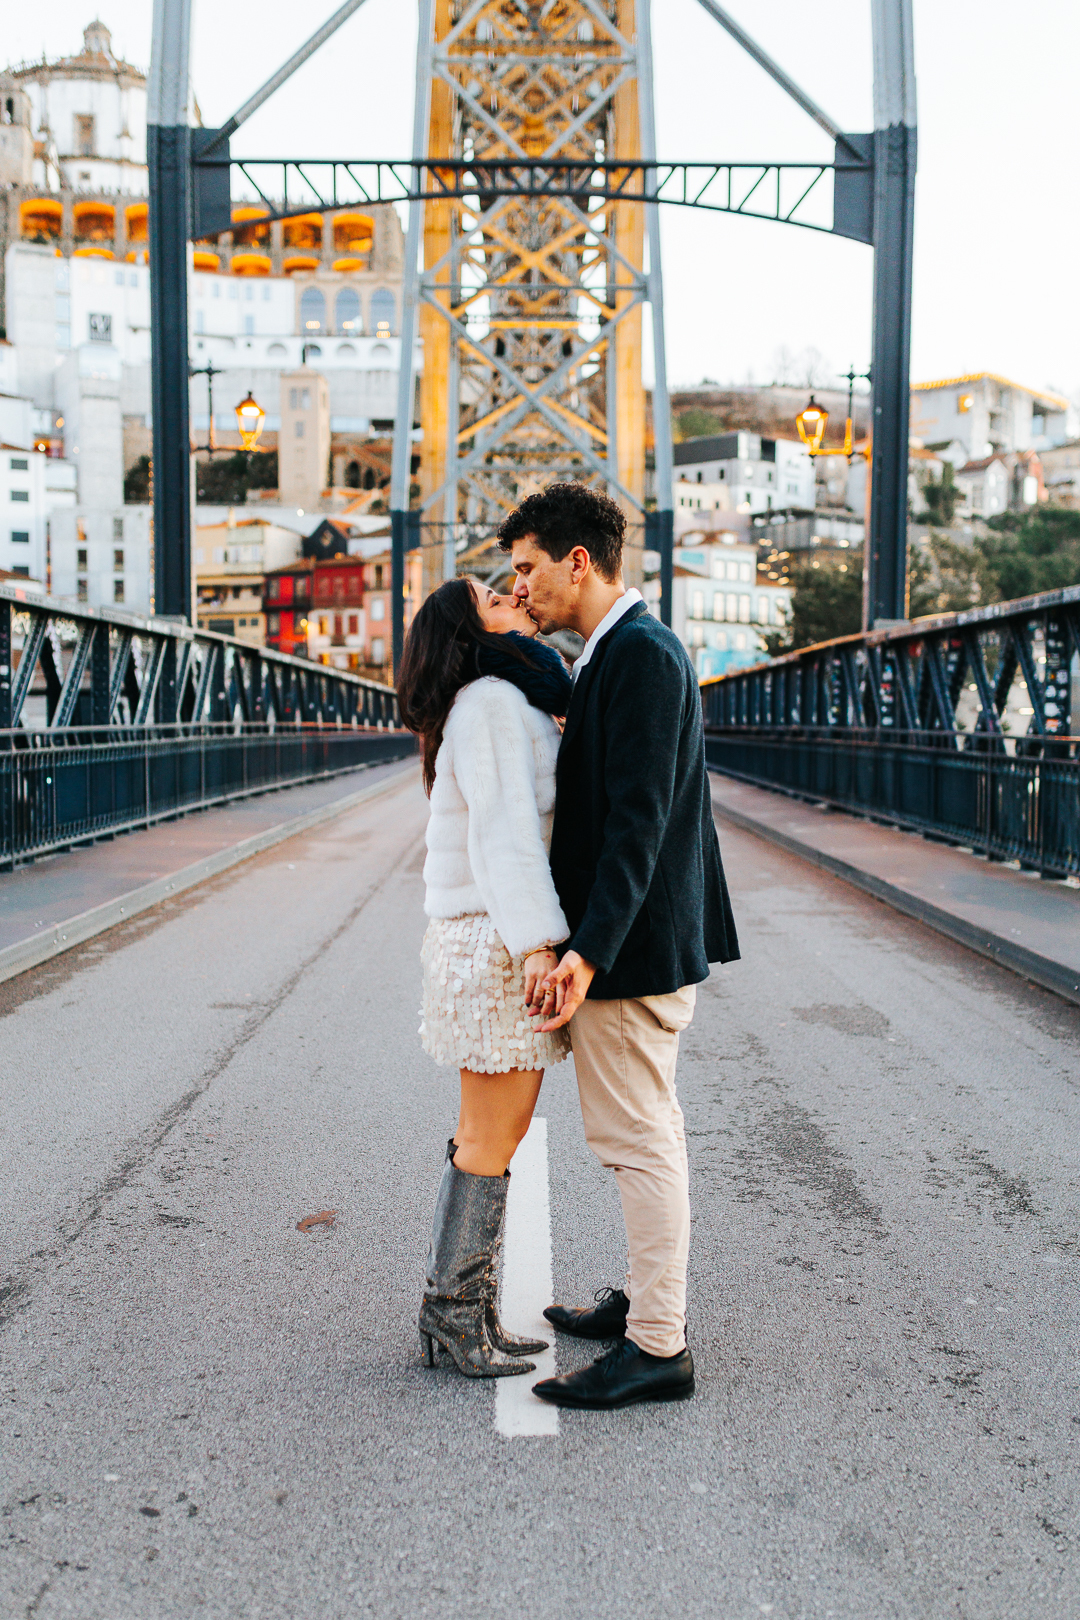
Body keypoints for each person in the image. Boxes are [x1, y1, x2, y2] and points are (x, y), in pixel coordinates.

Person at [498, 482, 740, 1410]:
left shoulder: (639, 655)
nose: (520, 590)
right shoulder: (615, 651)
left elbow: (638, 823)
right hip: (639, 942)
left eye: (527, 569)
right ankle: (648, 1303)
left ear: (579, 561)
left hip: (632, 953)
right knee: (646, 1132)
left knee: (639, 1143)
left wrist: (585, 954)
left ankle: (657, 1347)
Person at [396, 576, 572, 1379]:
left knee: (489, 1134)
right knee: (491, 1135)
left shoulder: (497, 700)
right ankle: (455, 1318)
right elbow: (505, 835)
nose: (515, 599)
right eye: (495, 600)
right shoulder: (495, 701)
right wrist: (539, 945)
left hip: (486, 938)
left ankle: (465, 1316)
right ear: (474, 634)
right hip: (499, 943)